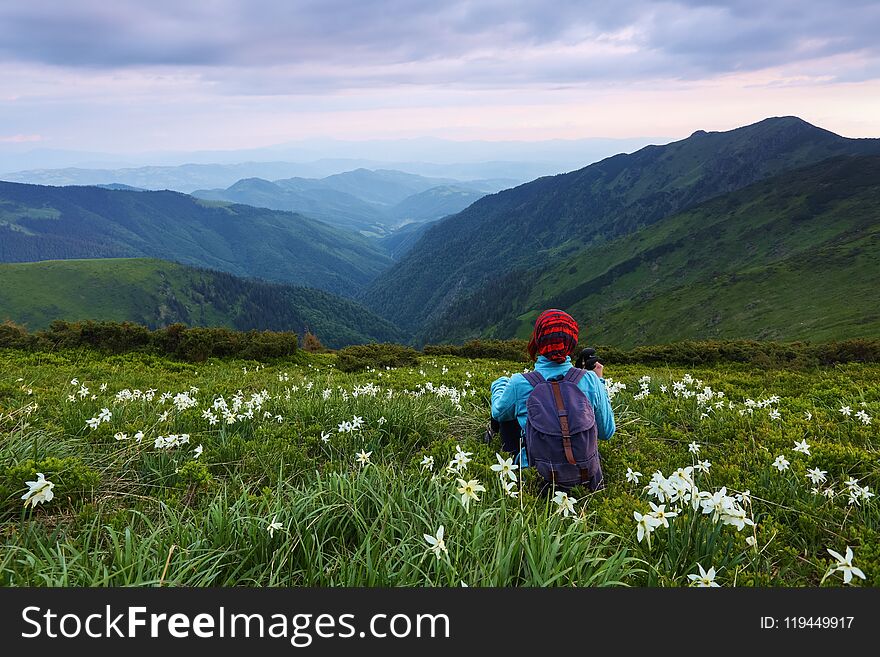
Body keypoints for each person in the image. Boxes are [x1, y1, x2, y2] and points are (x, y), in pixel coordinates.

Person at [490, 309, 615, 492]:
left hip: (536, 479)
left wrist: (500, 384)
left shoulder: (519, 383)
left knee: (508, 419)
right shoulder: (590, 380)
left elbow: (498, 413)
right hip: (584, 478)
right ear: (572, 342)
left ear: (538, 340)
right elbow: (607, 432)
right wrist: (599, 382)